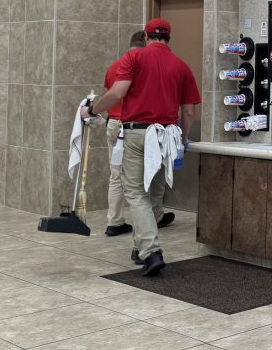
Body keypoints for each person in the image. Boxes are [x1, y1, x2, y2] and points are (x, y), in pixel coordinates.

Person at [83, 18, 200, 276]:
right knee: (153, 192)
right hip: (167, 136)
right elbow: (189, 111)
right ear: (169, 38)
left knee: (135, 193)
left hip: (138, 134)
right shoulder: (181, 66)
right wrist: (183, 138)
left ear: (146, 37)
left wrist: (91, 109)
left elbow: (117, 93)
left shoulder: (134, 59)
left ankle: (151, 250)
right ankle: (139, 247)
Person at [102, 31, 175, 237]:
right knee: (151, 175)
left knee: (116, 175)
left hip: (114, 124)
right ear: (146, 44)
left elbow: (110, 92)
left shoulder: (114, 66)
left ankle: (114, 221)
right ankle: (153, 216)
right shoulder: (144, 65)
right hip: (136, 126)